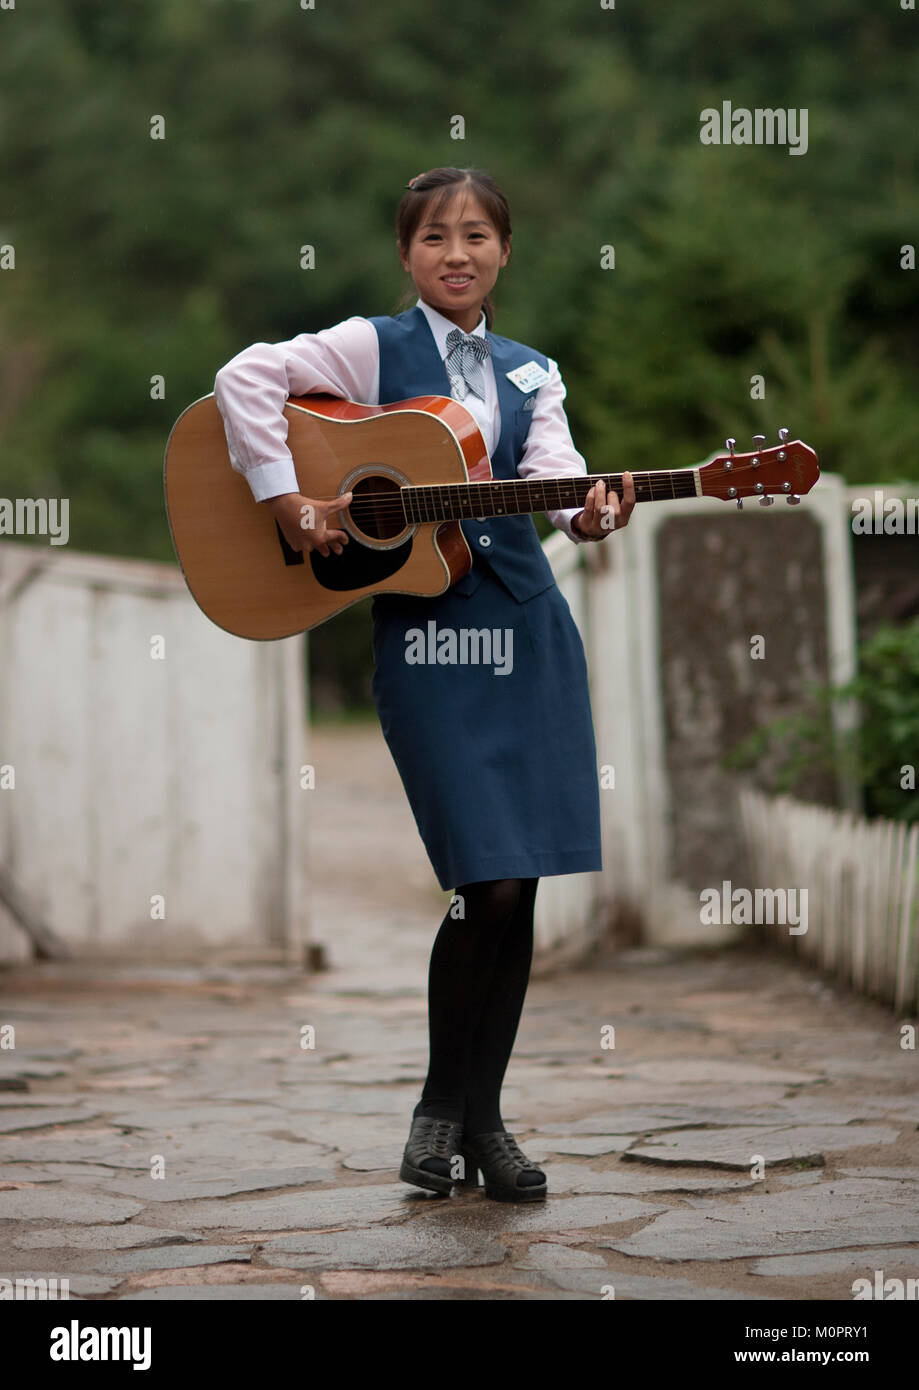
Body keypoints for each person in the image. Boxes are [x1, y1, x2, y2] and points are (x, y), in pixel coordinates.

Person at [213, 166, 635, 1203]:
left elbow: (562, 478)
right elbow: (241, 380)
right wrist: (286, 501)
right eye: (436, 236)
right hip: (429, 638)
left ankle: (476, 1123)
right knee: (479, 877)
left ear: (504, 252)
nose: (458, 252)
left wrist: (593, 513)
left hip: (524, 626)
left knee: (517, 878)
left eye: (479, 234)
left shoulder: (536, 374)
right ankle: (447, 1108)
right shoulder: (368, 347)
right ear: (405, 255)